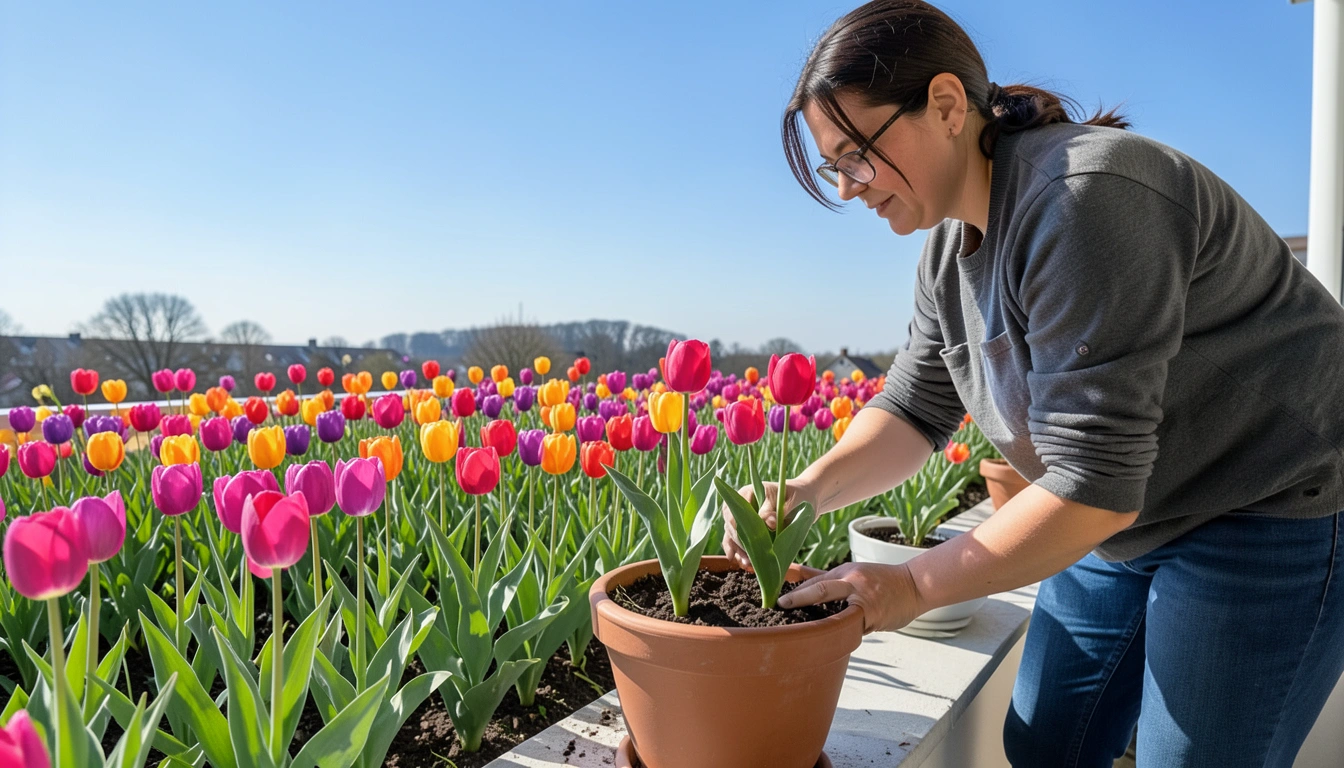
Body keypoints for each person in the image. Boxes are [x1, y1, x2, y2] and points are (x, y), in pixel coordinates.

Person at [721, 1, 1344, 765]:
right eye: (833, 166)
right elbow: (915, 408)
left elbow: (1096, 482)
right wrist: (806, 490)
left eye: (855, 155)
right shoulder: (947, 251)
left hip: (1268, 502)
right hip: (1126, 509)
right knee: (1047, 742)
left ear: (947, 105)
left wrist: (910, 587)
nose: (847, 187)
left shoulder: (1086, 198)